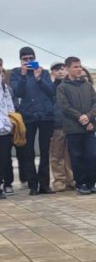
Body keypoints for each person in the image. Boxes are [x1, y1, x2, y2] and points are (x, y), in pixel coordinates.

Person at [10, 47, 56, 195]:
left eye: (31, 58)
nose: (29, 61)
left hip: (45, 116)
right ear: (21, 60)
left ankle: (44, 185)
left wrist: (39, 79)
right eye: (25, 59)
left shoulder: (44, 73)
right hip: (28, 116)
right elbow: (18, 92)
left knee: (45, 152)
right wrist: (23, 76)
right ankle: (33, 185)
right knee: (28, 153)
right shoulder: (16, 73)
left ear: (35, 58)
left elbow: (52, 91)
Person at [56, 57, 96, 195]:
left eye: (80, 66)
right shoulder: (62, 87)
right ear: (68, 68)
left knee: (91, 156)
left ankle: (92, 182)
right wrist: (80, 117)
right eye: (75, 67)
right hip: (73, 128)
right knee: (77, 157)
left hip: (89, 128)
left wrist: (89, 117)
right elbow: (65, 107)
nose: (79, 69)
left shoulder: (87, 85)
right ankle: (81, 184)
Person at [48, 63, 75, 192]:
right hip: (56, 124)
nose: (60, 72)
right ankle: (59, 180)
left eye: (63, 69)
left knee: (70, 154)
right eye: (56, 69)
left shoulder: (71, 84)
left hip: (71, 123)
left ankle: (71, 179)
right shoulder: (49, 86)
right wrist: (50, 82)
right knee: (56, 155)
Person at [0, 68, 15, 200]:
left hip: (4, 128)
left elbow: (10, 105)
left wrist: (11, 120)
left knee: (4, 159)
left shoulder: (4, 86)